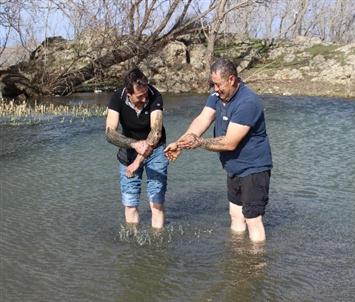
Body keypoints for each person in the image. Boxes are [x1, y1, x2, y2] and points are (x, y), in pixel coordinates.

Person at [165, 58, 272, 242]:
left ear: (231, 79)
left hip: (254, 169)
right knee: (236, 215)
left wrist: (198, 143)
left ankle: (256, 265)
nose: (215, 89)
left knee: (252, 219)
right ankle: (238, 258)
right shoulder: (217, 96)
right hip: (234, 168)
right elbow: (202, 120)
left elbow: (229, 143)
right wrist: (181, 142)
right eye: (213, 84)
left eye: (218, 84)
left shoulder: (248, 102)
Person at [105, 68, 169, 229]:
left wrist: (138, 161)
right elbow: (109, 133)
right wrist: (134, 145)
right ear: (129, 94)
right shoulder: (117, 98)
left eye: (146, 93)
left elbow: (156, 132)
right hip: (128, 149)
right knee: (130, 202)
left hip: (155, 149)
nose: (145, 97)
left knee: (156, 202)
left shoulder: (155, 96)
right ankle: (133, 246)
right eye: (140, 96)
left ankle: (157, 244)